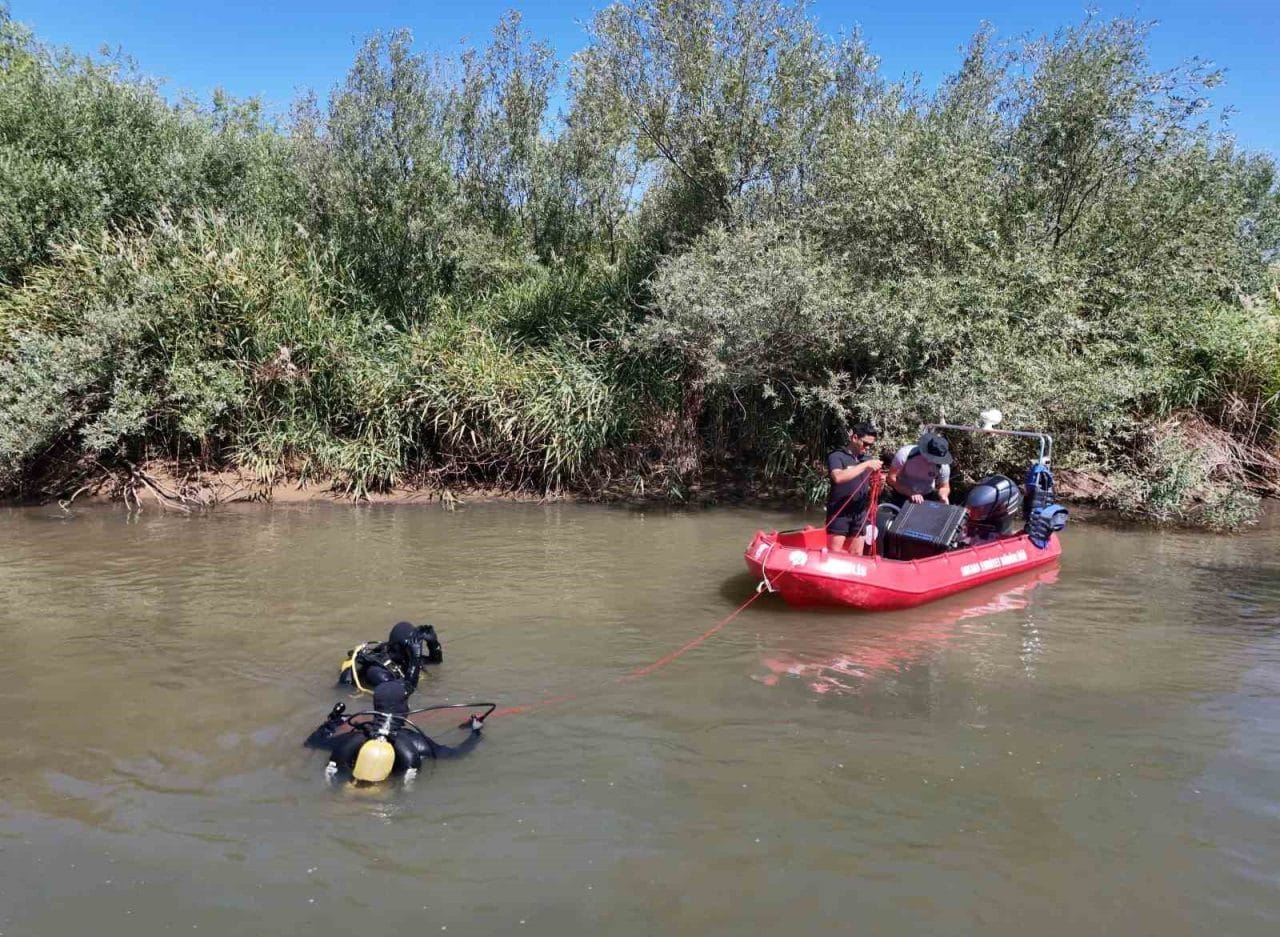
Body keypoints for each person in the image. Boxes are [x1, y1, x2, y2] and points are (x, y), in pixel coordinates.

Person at [305, 680, 485, 783]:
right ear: (402, 707)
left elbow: (313, 742)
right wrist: (475, 732)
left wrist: (332, 721)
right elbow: (457, 754)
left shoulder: (354, 736)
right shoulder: (415, 741)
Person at [825, 423, 883, 554]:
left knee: (857, 554)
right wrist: (865, 465)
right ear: (855, 438)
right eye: (865, 443)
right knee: (834, 553)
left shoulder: (867, 459)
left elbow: (872, 488)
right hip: (839, 511)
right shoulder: (837, 456)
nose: (867, 448)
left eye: (871, 445)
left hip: (859, 512)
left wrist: (879, 482)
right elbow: (838, 477)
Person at [338, 621, 443, 693]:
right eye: (411, 647)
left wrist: (433, 643)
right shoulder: (378, 673)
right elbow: (404, 692)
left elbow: (435, 661)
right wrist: (415, 659)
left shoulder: (402, 657)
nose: (416, 649)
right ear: (400, 648)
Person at [886, 431, 952, 507]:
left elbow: (945, 487)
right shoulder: (906, 454)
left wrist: (943, 496)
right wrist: (910, 492)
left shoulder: (943, 466)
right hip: (902, 493)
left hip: (926, 496)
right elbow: (891, 478)